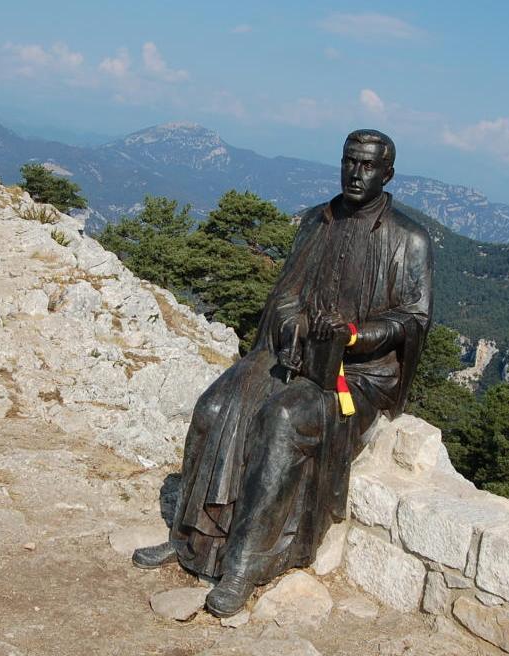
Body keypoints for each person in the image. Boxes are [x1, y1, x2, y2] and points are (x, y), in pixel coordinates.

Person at [132, 129, 434, 617]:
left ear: (387, 174)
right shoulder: (318, 221)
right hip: (292, 351)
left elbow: (413, 319)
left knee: (284, 419)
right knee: (213, 407)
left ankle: (244, 564)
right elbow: (287, 292)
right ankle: (192, 538)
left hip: (357, 374)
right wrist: (294, 324)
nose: (356, 173)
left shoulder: (409, 240)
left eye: (368, 166)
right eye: (349, 162)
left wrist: (354, 335)